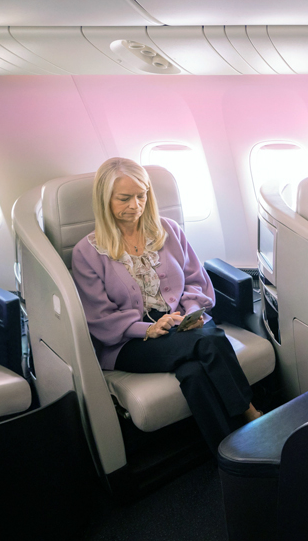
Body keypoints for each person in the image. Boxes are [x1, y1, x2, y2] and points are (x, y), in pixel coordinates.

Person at [72, 158, 260, 450]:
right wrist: (147, 328)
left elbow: (196, 280)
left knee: (194, 372)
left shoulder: (168, 230)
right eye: (124, 198)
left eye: (142, 195)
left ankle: (228, 450)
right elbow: (100, 319)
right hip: (128, 341)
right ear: (103, 199)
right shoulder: (87, 252)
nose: (136, 205)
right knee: (209, 341)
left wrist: (189, 312)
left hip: (178, 322)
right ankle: (252, 415)